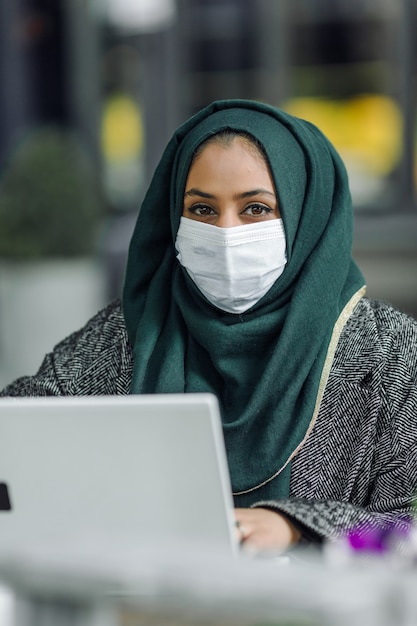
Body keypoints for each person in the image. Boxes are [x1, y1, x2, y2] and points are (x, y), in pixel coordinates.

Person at [1, 99, 417, 554]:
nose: (225, 232)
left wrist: (297, 526)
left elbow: (408, 523)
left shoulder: (391, 354)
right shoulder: (126, 334)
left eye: (255, 209)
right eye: (202, 209)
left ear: (307, 216)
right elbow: (18, 435)